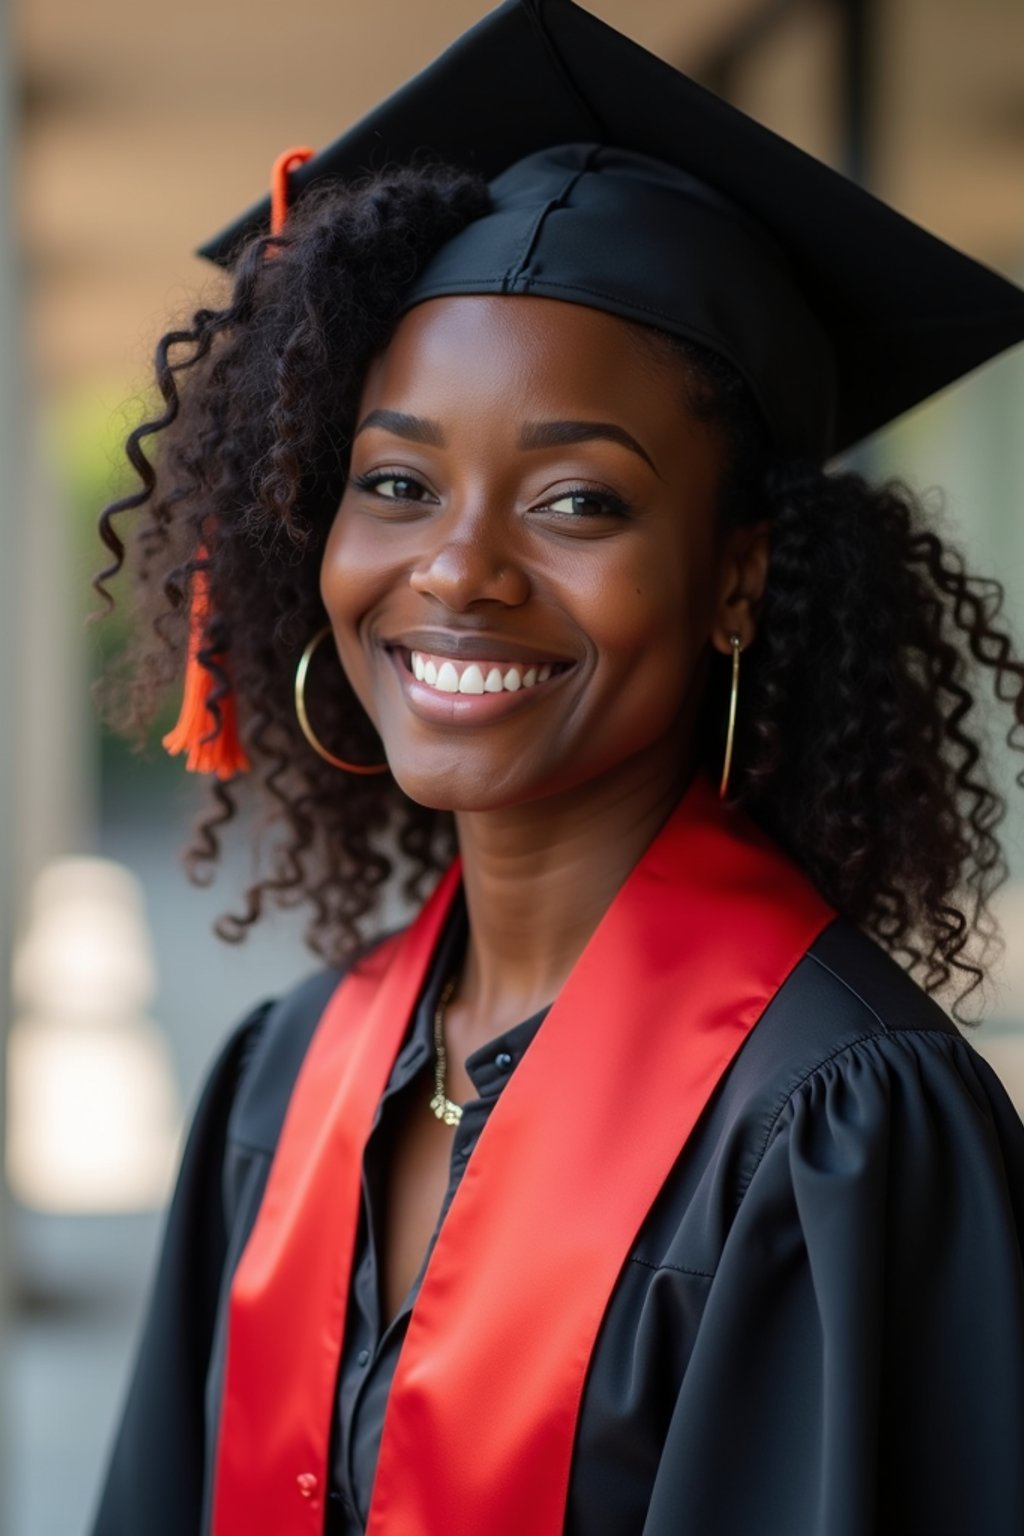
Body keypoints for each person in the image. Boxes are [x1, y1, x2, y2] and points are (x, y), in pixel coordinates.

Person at [89, 2, 1024, 1533]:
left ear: (737, 580)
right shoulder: (288, 1072)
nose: (457, 570)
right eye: (394, 483)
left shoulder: (835, 1128)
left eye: (578, 502)